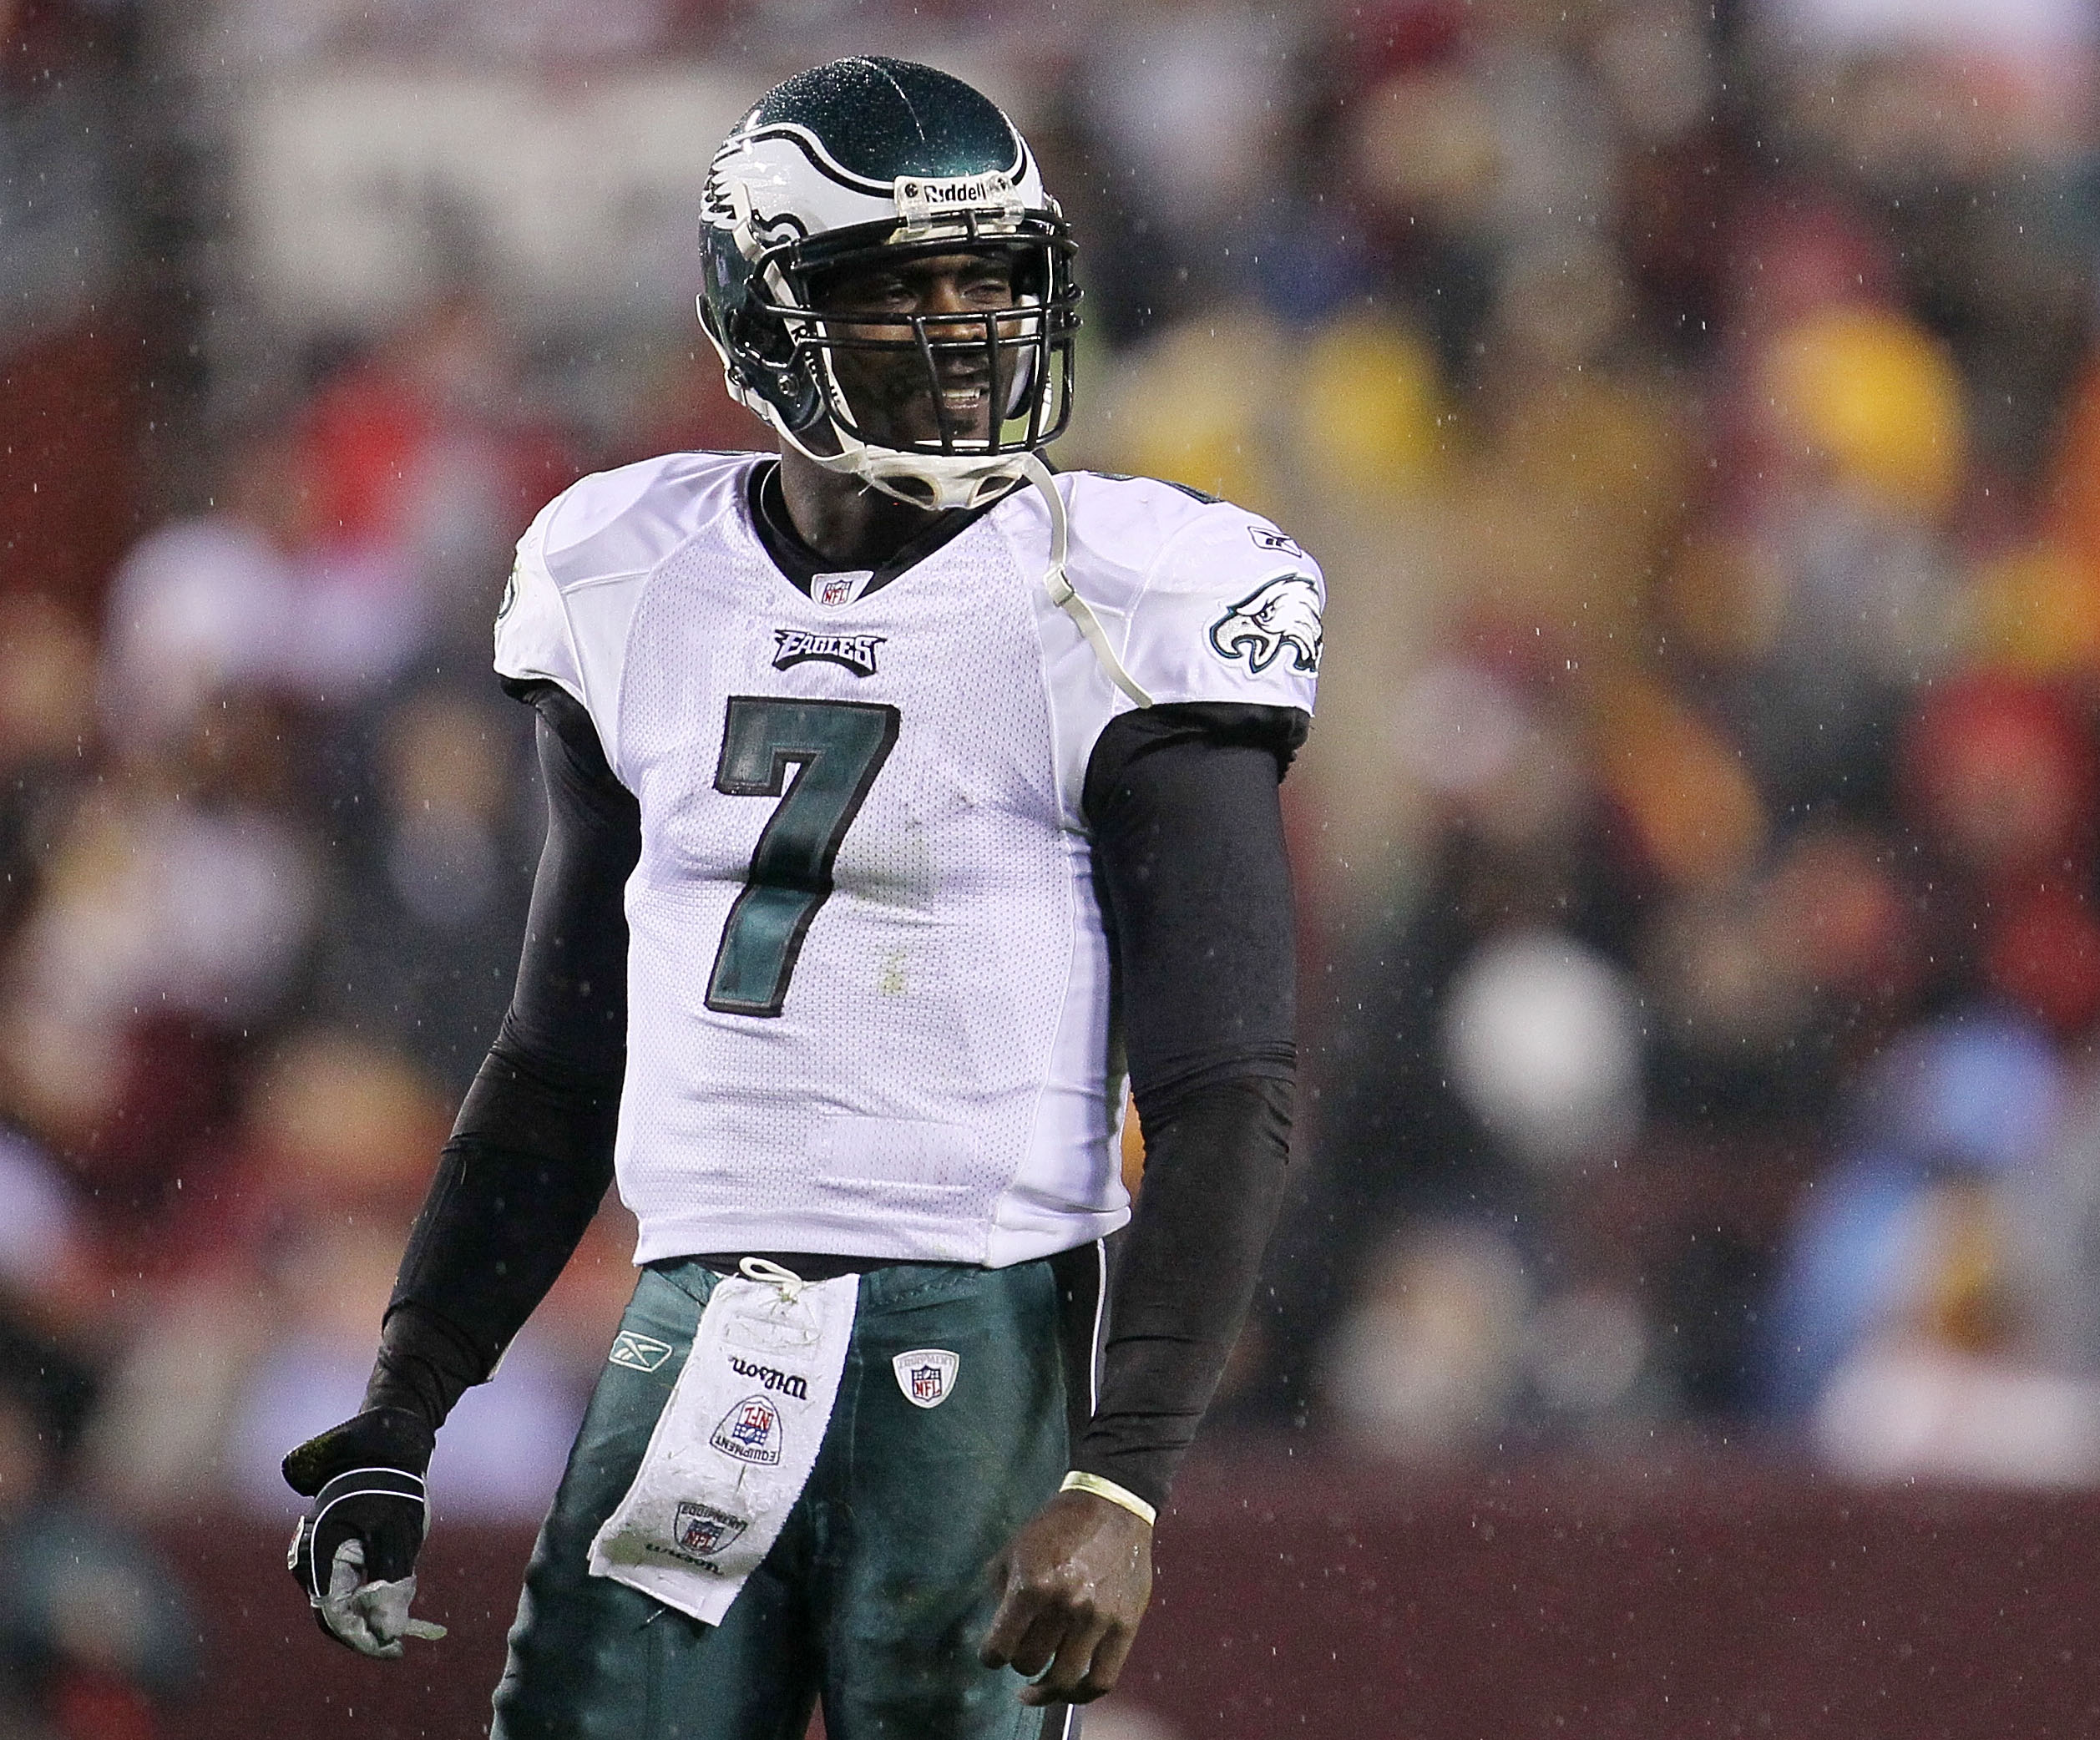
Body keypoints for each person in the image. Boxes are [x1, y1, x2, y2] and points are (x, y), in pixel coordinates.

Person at [278, 57, 1321, 1739]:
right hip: (697, 1307)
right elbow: (564, 1050)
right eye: (897, 284)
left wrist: (1125, 1479)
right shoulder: (631, 571)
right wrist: (406, 1403)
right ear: (760, 311)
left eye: (988, 277)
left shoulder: (1126, 594)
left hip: (973, 1318)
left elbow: (1230, 1085)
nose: (962, 325)